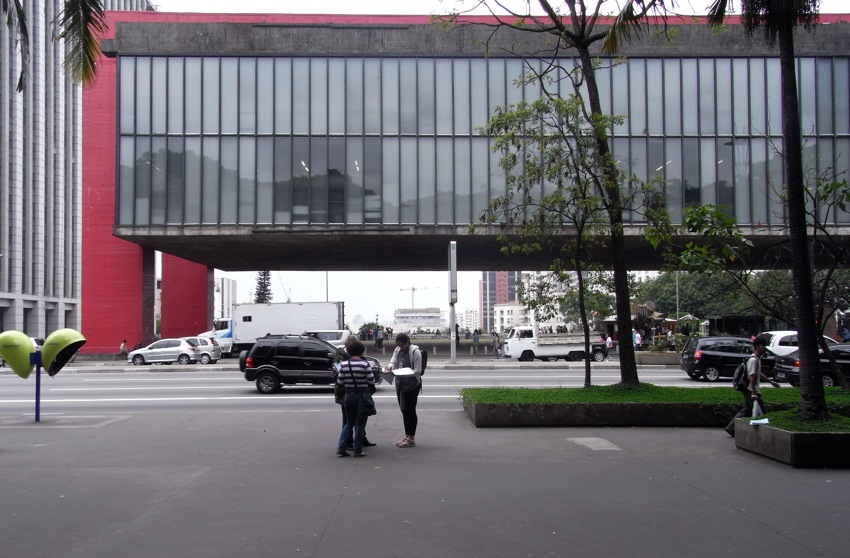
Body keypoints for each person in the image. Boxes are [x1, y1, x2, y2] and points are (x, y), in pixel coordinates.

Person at [725, 336, 780, 436]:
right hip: (751, 389)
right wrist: (754, 392)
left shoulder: (757, 359)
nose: (764, 348)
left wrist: (771, 382)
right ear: (756, 347)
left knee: (747, 409)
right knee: (761, 410)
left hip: (750, 389)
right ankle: (768, 431)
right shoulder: (753, 360)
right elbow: (752, 376)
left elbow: (758, 373)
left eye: (765, 345)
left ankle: (731, 428)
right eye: (762, 345)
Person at [336, 339, 375, 457]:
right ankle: (357, 451)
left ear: (349, 351)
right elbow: (371, 380)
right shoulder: (365, 364)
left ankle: (341, 447)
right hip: (362, 396)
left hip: (348, 396)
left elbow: (340, 381)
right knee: (359, 424)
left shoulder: (344, 364)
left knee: (348, 423)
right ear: (361, 351)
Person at [386, 333, 423, 448]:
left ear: (407, 342)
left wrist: (404, 374)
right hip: (400, 384)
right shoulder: (398, 350)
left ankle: (411, 438)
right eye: (399, 345)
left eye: (402, 345)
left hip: (412, 385)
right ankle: (407, 435)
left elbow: (418, 370)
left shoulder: (415, 352)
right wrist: (391, 366)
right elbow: (393, 360)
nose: (400, 347)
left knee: (410, 410)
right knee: (404, 410)